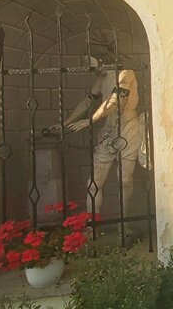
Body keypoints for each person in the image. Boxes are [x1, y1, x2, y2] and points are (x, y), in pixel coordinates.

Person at [51, 47, 143, 222]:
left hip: (128, 129)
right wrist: (67, 122)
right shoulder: (102, 79)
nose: (90, 66)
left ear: (102, 60)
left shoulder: (125, 74)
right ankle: (91, 224)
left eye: (91, 61)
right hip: (108, 133)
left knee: (125, 180)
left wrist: (90, 121)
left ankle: (123, 223)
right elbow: (87, 102)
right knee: (94, 183)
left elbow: (115, 101)